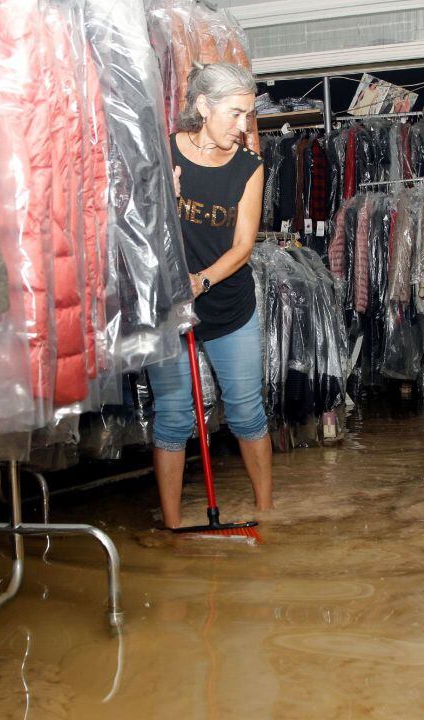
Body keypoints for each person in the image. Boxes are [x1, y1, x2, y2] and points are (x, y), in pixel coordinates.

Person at [146, 62, 273, 529]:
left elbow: (243, 247)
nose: (244, 127)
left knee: (246, 411)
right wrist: (161, 196)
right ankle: (175, 527)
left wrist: (200, 282)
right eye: (236, 114)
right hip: (168, 308)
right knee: (174, 418)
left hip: (228, 305)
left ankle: (266, 516)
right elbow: (132, 229)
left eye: (249, 116)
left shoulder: (249, 167)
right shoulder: (162, 158)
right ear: (203, 107)